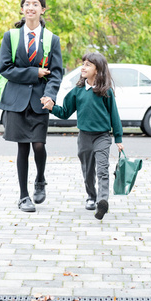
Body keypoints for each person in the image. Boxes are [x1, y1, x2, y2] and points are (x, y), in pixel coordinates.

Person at [0, 0, 63, 212]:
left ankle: (40, 179)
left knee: (39, 145)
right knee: (23, 148)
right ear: (22, 9)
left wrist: (51, 95)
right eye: (27, 4)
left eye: (35, 4)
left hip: (40, 101)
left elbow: (56, 73)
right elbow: (6, 69)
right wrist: (34, 73)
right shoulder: (11, 37)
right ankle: (23, 196)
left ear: (42, 9)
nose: (31, 8)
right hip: (16, 100)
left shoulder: (52, 39)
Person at [41, 52, 123, 220]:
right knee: (88, 172)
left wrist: (119, 139)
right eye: (83, 63)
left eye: (88, 64)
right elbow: (64, 113)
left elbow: (114, 115)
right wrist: (51, 107)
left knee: (102, 170)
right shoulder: (77, 91)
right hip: (84, 137)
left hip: (102, 137)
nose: (83, 67)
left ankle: (102, 201)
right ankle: (91, 196)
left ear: (97, 70)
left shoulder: (106, 91)